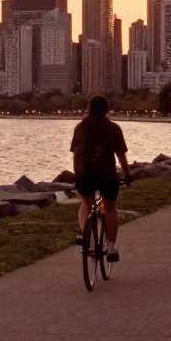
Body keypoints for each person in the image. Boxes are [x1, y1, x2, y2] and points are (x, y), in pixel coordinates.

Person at [71, 95, 133, 262]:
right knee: (110, 208)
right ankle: (111, 248)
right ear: (107, 110)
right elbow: (121, 155)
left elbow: (76, 155)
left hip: (85, 175)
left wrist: (78, 174)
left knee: (86, 203)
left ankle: (87, 238)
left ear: (88, 109)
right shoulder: (114, 128)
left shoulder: (80, 127)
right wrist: (127, 175)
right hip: (107, 176)